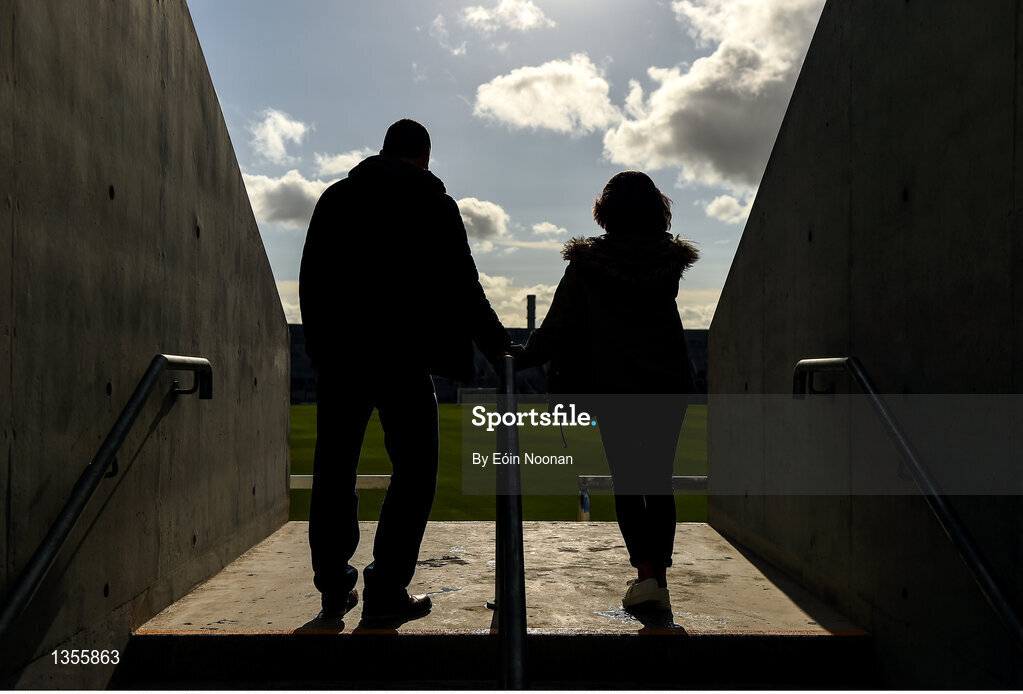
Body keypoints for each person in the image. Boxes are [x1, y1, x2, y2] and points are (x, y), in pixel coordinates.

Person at [299, 119, 514, 621]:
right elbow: (465, 288)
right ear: (424, 156)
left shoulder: (336, 198)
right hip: (404, 359)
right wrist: (500, 348)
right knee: (415, 473)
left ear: (383, 149)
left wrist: (320, 349)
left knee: (334, 472)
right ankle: (386, 589)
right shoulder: (433, 204)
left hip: (342, 358)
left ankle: (333, 589)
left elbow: (312, 279)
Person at [516, 171, 698, 612]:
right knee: (659, 480)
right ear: (657, 210)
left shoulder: (587, 265)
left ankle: (646, 577)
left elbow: (556, 330)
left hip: (614, 388)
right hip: (668, 384)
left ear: (606, 211)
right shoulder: (667, 263)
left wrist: (514, 357)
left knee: (628, 480)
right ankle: (658, 582)